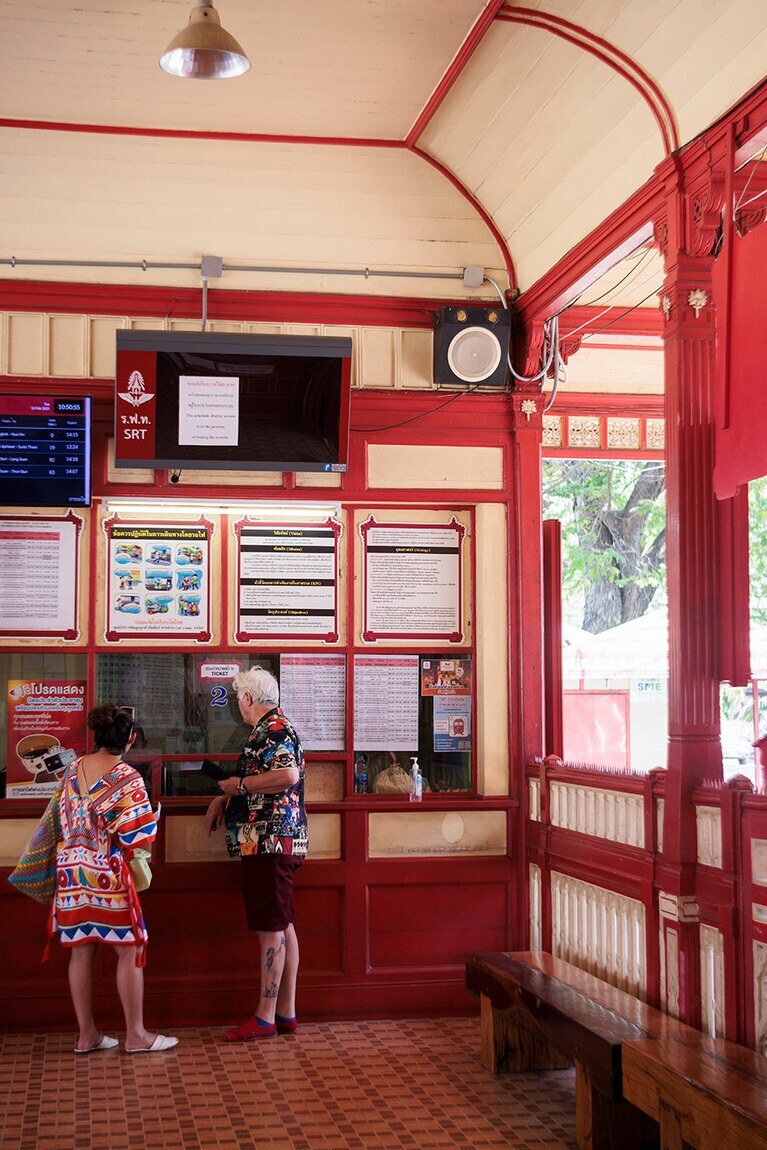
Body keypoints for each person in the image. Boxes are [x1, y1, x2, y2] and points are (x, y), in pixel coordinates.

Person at [54, 703, 178, 1054]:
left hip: (70, 872)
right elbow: (135, 834)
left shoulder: (72, 769)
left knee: (80, 951)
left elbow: (61, 817)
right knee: (130, 949)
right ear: (131, 739)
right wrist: (152, 816)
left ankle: (87, 1035)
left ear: (96, 735)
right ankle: (136, 1035)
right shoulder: (126, 776)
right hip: (107, 874)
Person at [205, 666, 308, 1041]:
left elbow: (287, 776)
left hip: (269, 841)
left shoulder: (274, 729)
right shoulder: (271, 729)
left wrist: (239, 784)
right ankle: (285, 1013)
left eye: (238, 699)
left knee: (271, 930)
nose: (238, 705)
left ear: (249, 698)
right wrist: (225, 796)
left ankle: (264, 1017)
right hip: (274, 840)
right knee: (283, 926)